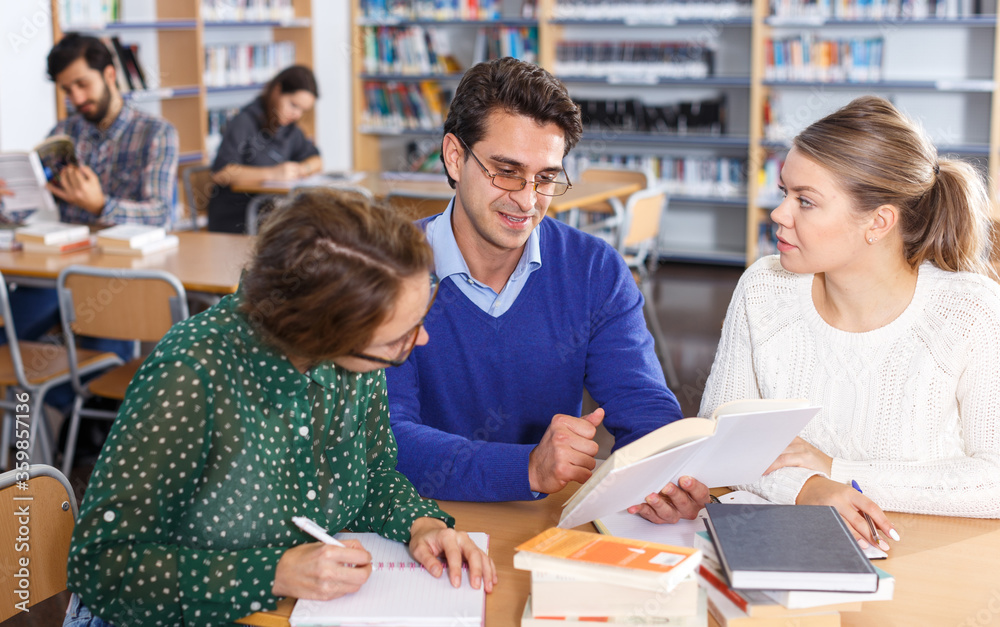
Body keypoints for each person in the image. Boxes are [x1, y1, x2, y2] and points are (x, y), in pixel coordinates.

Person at [64, 189, 495, 627]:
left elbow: (374, 475)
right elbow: (102, 570)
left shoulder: (357, 364)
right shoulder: (192, 375)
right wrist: (274, 573)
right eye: (397, 338)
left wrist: (421, 525)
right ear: (323, 333)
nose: (419, 340)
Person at [384, 57, 709, 523]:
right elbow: (387, 436)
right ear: (455, 157)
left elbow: (641, 402)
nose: (527, 199)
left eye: (546, 177)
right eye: (507, 170)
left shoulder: (595, 269)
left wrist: (662, 471)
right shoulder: (388, 269)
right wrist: (527, 468)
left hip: (541, 522)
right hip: (415, 519)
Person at [700, 96, 1000, 550]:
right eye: (785, 193)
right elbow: (717, 441)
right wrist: (805, 488)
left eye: (806, 201)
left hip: (928, 558)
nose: (779, 214)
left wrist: (837, 472)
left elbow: (993, 480)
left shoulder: (970, 309)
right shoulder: (764, 288)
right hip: (793, 548)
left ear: (878, 222)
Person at [208, 64, 322, 233]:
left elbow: (316, 160)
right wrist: (273, 174)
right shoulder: (244, 122)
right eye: (293, 105)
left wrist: (302, 169)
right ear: (277, 91)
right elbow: (222, 173)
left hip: (269, 212)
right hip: (237, 216)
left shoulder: (289, 128)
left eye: (303, 111)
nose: (297, 114)